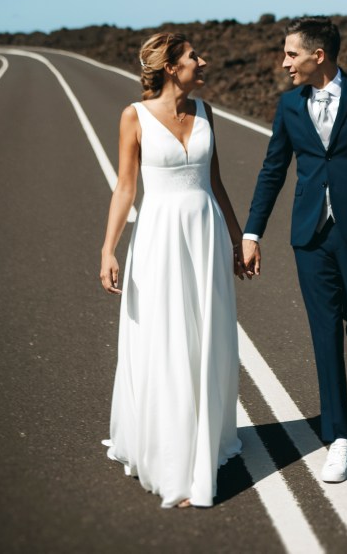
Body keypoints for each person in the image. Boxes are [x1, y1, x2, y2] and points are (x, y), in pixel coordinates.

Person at [242, 16, 347, 483]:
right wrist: (252, 233)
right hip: (309, 238)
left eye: (291, 54)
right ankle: (338, 439)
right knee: (323, 337)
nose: (284, 63)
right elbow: (272, 170)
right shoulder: (289, 105)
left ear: (319, 56)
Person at [99, 32, 250, 508]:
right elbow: (125, 189)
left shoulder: (207, 113)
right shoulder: (134, 116)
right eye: (193, 57)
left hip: (204, 237)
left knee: (205, 339)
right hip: (160, 240)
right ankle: (174, 465)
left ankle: (205, 440)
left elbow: (216, 182)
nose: (202, 62)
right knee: (167, 341)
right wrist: (108, 249)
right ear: (170, 66)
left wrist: (237, 237)